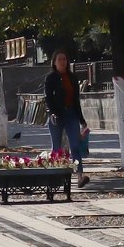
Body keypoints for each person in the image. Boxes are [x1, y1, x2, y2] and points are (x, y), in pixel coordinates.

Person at [44, 49, 91, 185]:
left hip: (71, 114)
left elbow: (76, 100)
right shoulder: (51, 78)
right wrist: (52, 112)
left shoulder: (72, 78)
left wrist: (82, 121)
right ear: (54, 62)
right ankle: (54, 178)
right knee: (56, 148)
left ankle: (80, 176)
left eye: (64, 59)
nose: (62, 62)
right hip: (56, 115)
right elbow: (48, 98)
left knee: (75, 147)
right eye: (59, 59)